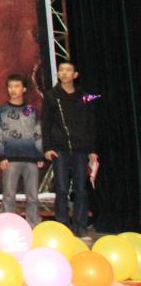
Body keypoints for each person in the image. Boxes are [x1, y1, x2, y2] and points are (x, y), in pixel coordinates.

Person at [42, 62, 98, 236]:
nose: (64, 73)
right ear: (58, 74)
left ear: (75, 74)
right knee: (61, 188)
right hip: (60, 149)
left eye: (68, 70)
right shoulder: (51, 96)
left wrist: (92, 149)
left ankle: (80, 225)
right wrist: (47, 147)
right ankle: (63, 226)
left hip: (81, 149)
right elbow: (46, 123)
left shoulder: (85, 97)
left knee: (81, 188)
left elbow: (90, 123)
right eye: (61, 70)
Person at [0, 73, 44, 226]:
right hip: (10, 159)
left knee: (33, 196)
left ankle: (33, 226)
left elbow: (38, 133)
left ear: (24, 89)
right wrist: (2, 156)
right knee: (9, 196)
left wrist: (40, 155)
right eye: (10, 86)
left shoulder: (32, 110)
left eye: (16, 86)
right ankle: (9, 226)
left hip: (31, 159)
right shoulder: (1, 110)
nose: (13, 90)